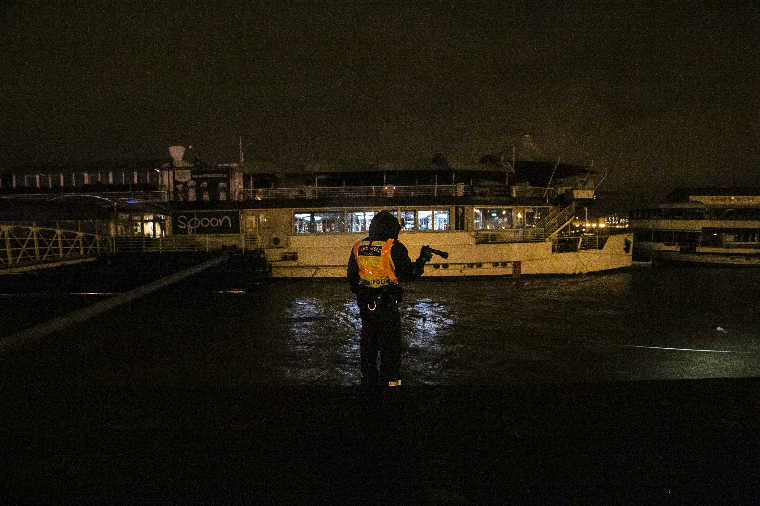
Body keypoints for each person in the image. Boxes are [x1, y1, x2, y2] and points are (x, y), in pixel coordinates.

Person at [347, 211, 432, 394]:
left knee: (368, 347)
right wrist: (423, 259)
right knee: (391, 348)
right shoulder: (393, 247)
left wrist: (366, 292)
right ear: (392, 229)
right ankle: (392, 388)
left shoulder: (358, 247)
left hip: (366, 307)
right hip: (387, 307)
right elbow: (410, 274)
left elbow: (352, 280)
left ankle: (368, 386)